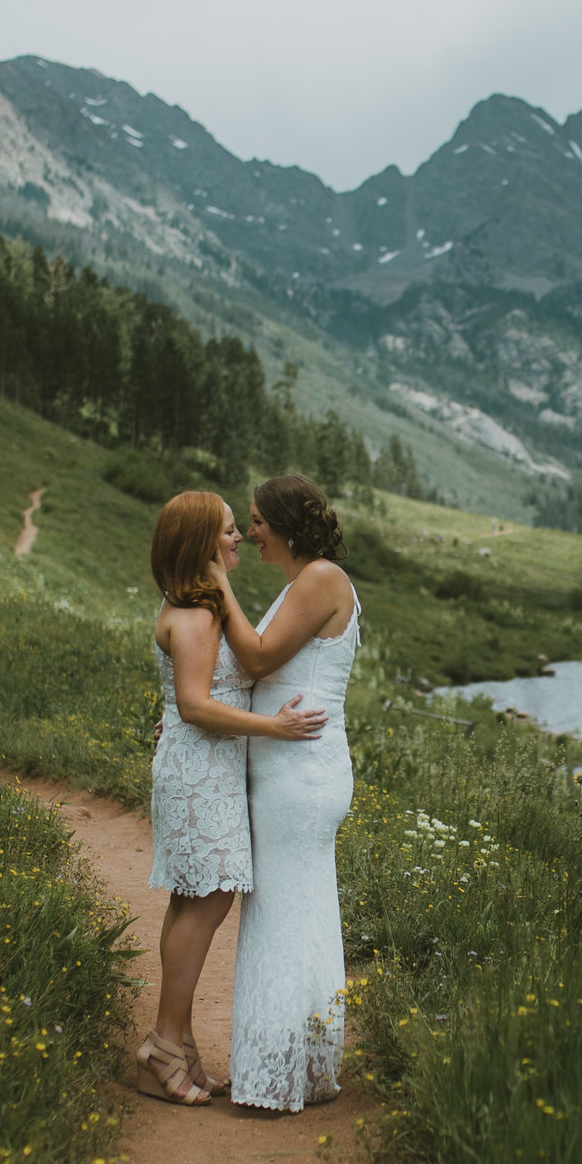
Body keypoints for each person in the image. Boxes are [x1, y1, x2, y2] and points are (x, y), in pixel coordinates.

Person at [142, 491, 324, 1105]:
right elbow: (194, 705)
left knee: (193, 898)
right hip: (200, 773)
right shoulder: (194, 616)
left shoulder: (198, 606)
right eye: (226, 531)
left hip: (205, 769)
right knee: (208, 898)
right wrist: (275, 728)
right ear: (201, 544)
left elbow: (188, 698)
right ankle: (165, 1042)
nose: (238, 537)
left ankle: (180, 1042)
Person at [211, 474, 360, 1113]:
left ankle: (275, 1072)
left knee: (280, 913)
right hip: (288, 768)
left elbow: (258, 660)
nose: (248, 533)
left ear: (287, 525)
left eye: (257, 522)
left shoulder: (322, 579)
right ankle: (302, 1064)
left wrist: (216, 580)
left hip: (300, 773)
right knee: (300, 912)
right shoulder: (304, 582)